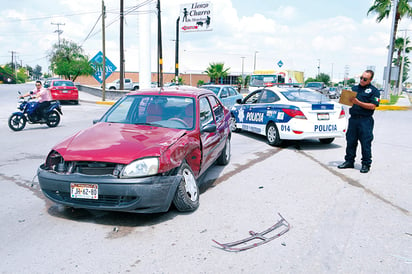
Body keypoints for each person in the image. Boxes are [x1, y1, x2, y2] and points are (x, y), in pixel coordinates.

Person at [338, 70, 380, 173]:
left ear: (370, 80)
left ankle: (366, 164)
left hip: (365, 120)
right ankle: (349, 161)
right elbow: (349, 102)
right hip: (353, 119)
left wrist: (359, 103)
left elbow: (373, 106)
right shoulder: (355, 89)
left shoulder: (374, 91)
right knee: (351, 141)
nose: (362, 80)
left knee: (365, 143)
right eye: (361, 78)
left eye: (365, 79)